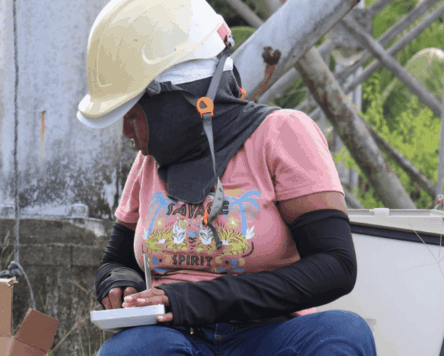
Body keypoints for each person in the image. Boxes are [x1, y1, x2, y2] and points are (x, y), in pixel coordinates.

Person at [75, 0, 376, 355]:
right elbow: (118, 259)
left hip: (267, 334)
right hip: (177, 336)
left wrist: (196, 299)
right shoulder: (149, 163)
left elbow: (335, 265)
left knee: (343, 334)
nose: (126, 131)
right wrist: (118, 282)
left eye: (133, 114)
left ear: (176, 104)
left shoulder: (282, 135)